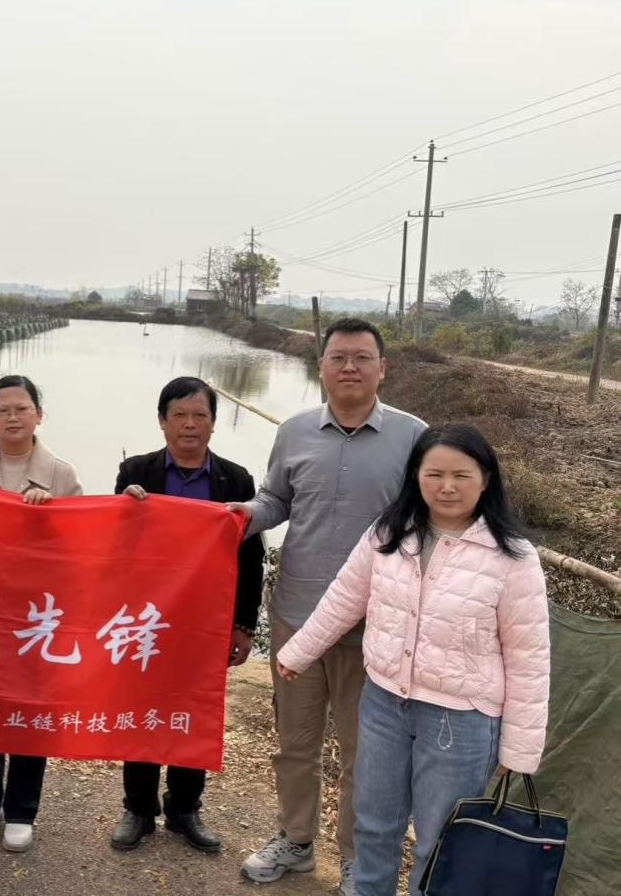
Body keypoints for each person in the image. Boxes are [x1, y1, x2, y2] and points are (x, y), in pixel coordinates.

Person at [276, 424, 550, 895]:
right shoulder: (389, 533)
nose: (447, 487)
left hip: (460, 721)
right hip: (383, 703)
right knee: (373, 825)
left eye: (461, 475)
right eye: (434, 474)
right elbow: (345, 597)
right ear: (415, 476)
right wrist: (300, 651)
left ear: (486, 479)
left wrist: (519, 750)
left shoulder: (512, 558)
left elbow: (529, 656)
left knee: (438, 841)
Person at [230, 318, 427, 896]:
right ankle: (295, 840)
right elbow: (276, 499)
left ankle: (356, 858)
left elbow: (434, 518)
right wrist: (241, 517)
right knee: (295, 742)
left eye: (362, 358)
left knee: (366, 754)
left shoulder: (415, 437)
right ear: (321, 367)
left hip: (375, 624)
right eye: (338, 357)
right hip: (296, 614)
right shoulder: (294, 431)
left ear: (383, 368)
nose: (349, 367)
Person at [109, 376, 265, 854]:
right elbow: (113, 547)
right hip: (148, 616)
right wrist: (123, 510)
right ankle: (138, 808)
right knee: (142, 708)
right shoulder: (136, 472)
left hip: (205, 619)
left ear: (214, 424)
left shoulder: (235, 480)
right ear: (162, 421)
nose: (190, 425)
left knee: (193, 709)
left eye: (200, 415)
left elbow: (251, 556)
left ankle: (184, 808)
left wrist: (243, 624)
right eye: (180, 415)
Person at [0, 375, 82, 853]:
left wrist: (51, 516)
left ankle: (22, 809)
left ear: (38, 415)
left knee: (30, 707)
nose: (12, 417)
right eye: (2, 409)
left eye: (22, 408)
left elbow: (83, 545)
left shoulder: (61, 474)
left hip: (36, 615)